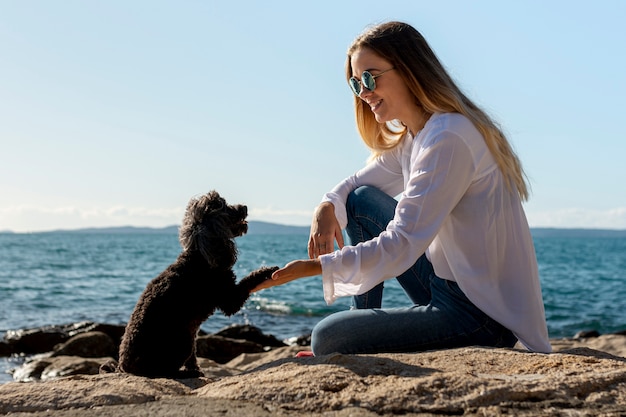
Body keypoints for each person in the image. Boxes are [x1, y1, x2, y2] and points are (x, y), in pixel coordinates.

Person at [254, 21, 551, 355]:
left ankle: (354, 334)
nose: (363, 92)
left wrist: (312, 268)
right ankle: (360, 322)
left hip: (480, 315)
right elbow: (356, 185)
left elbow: (402, 243)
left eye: (370, 77)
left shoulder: (448, 138)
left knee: (328, 338)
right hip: (446, 288)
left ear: (409, 69)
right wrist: (326, 206)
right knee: (360, 200)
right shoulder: (418, 135)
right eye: (355, 83)